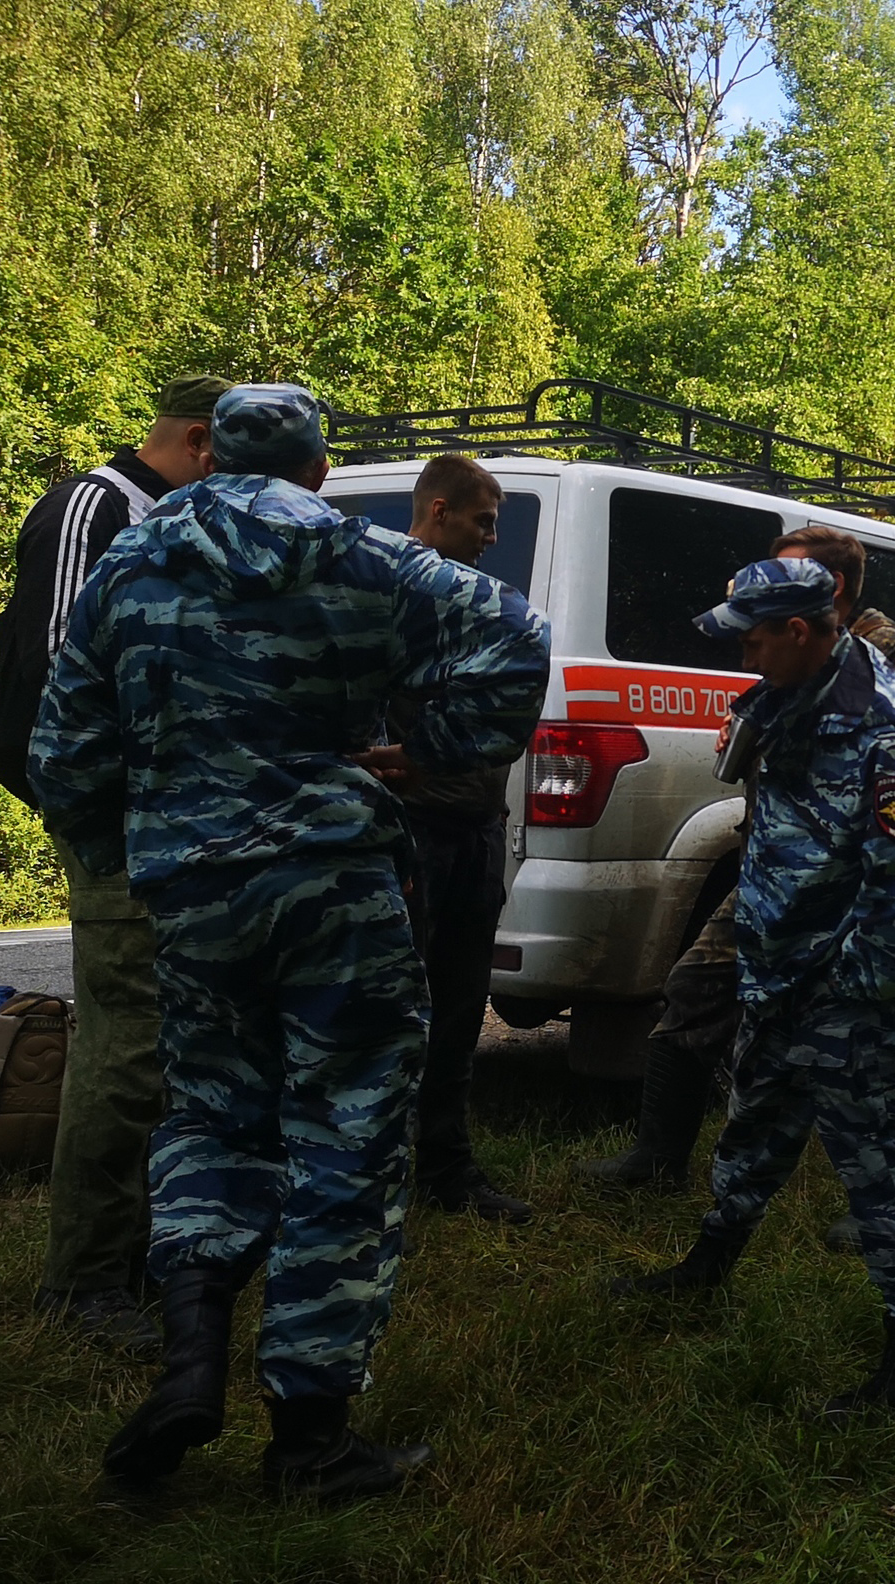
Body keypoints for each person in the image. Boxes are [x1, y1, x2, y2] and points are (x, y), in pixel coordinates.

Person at [31, 384, 550, 1500]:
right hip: (332, 889)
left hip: (193, 896)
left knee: (212, 1116)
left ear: (211, 459)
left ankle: (189, 1363)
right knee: (346, 1131)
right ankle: (310, 1437)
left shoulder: (126, 567)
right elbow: (517, 635)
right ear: (318, 471)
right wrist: (432, 746)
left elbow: (63, 751)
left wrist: (131, 835)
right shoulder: (361, 558)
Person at [611, 558, 895, 1421]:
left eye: (757, 639)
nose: (747, 655)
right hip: (776, 967)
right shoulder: (785, 696)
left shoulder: (889, 726)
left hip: (844, 987)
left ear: (803, 630)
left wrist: (862, 993)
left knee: (881, 1162)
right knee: (755, 1126)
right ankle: (707, 1268)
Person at [577, 524, 895, 1193]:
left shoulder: (880, 646)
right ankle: (657, 1156)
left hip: (845, 870)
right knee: (697, 984)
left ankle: (879, 1194)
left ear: (833, 588)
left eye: (781, 572)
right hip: (773, 864)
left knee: (862, 1037)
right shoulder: (791, 654)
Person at [0, 372, 229, 1354]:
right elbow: (58, 676)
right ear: (202, 441)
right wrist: (101, 808)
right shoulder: (96, 505)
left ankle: (142, 1253)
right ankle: (86, 1284)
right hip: (116, 816)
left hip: (171, 818)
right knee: (127, 1049)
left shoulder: (168, 520)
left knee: (165, 1042)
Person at [354, 453, 533, 1224]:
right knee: (391, 1013)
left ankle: (448, 1173)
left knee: (461, 1009)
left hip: (475, 831)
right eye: (483, 521)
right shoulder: (391, 596)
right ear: (437, 512)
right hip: (411, 833)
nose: (492, 537)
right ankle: (370, 1180)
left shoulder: (483, 606)